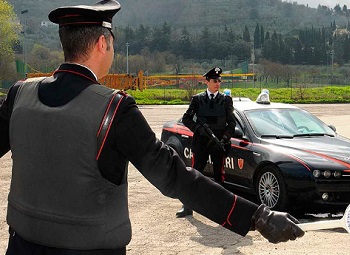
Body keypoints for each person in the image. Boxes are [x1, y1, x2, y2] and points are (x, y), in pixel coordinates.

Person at [0, 0, 304, 254]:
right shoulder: (114, 108)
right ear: (102, 43)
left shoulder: (19, 95)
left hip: (20, 246)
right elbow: (174, 176)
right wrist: (255, 214)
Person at [176, 67, 235, 218]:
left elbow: (231, 123)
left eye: (219, 81)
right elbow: (186, 118)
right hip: (201, 142)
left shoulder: (226, 100)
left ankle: (221, 208)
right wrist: (198, 129)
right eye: (215, 81)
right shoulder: (197, 99)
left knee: (219, 177)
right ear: (207, 82)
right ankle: (188, 206)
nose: (217, 83)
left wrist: (225, 138)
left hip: (218, 143)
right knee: (195, 174)